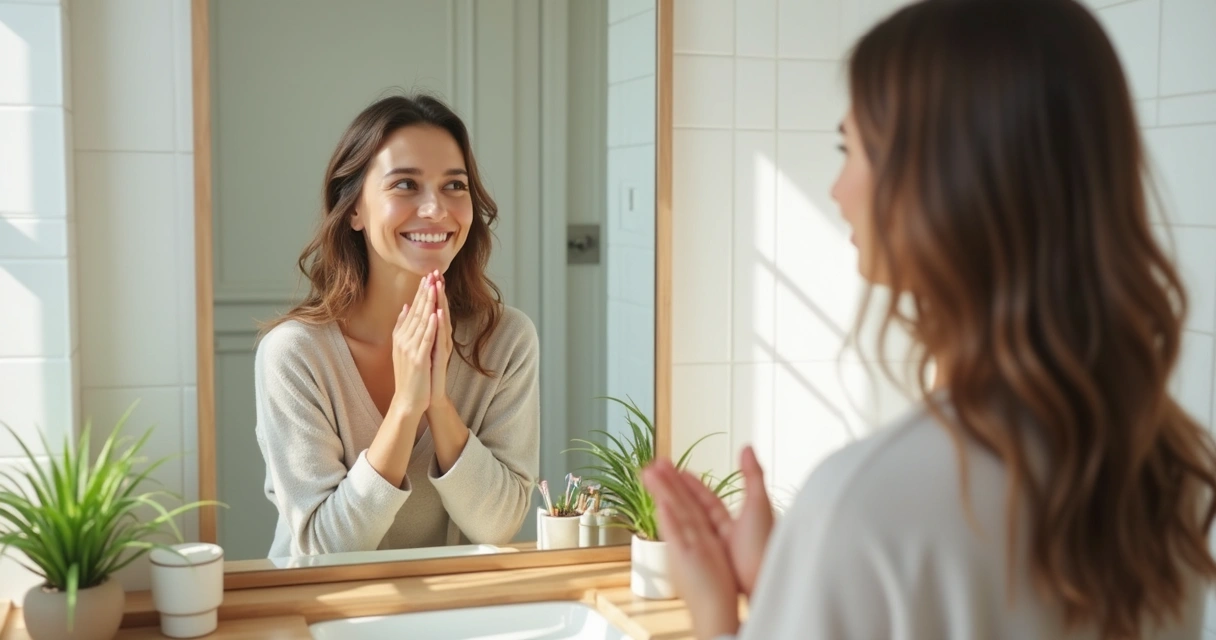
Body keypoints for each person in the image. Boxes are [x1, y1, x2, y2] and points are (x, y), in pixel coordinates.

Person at [643, 1, 1216, 638]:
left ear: (942, 182)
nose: (837, 190)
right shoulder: (1170, 472)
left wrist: (719, 614)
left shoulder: (862, 505)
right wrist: (797, 573)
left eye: (850, 148)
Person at [253, 94, 539, 557]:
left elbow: (499, 525)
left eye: (455, 186)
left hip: (457, 614)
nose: (435, 209)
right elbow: (323, 549)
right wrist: (406, 408)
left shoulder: (506, 340)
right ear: (354, 210)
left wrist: (439, 404)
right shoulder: (293, 354)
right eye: (405, 184)